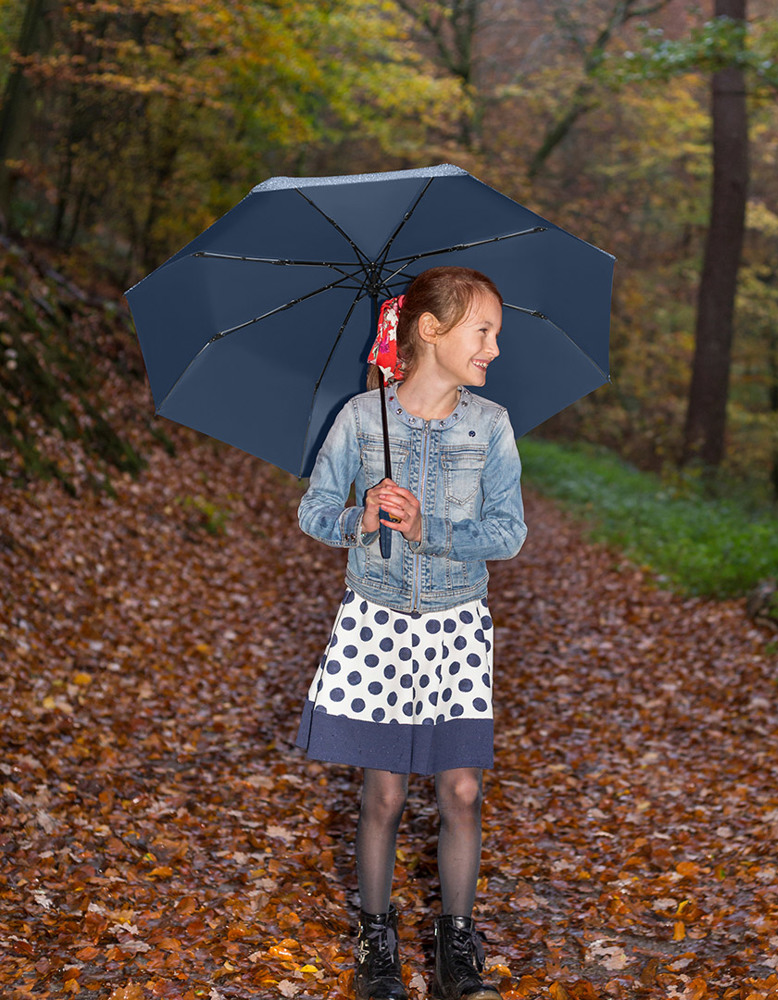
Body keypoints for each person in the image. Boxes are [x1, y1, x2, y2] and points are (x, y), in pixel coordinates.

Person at [295, 266, 527, 1000]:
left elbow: (509, 532)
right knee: (384, 794)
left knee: (460, 789)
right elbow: (313, 509)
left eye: (495, 334)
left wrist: (433, 530)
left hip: (458, 625)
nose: (493, 348)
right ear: (431, 330)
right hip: (378, 622)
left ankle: (456, 945)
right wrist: (357, 519)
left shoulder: (490, 426)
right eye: (483, 331)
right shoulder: (363, 419)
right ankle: (375, 942)